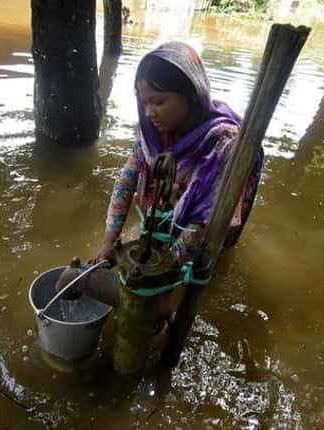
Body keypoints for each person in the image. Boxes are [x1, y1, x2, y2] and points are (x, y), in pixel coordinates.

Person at [62, 41, 263, 322]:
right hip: (169, 212)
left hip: (203, 222)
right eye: (144, 102)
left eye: (159, 101)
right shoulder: (152, 132)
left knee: (204, 267)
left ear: (191, 95)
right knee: (152, 240)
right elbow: (126, 181)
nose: (149, 112)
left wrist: (162, 282)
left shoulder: (221, 144)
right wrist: (109, 241)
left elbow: (202, 223)